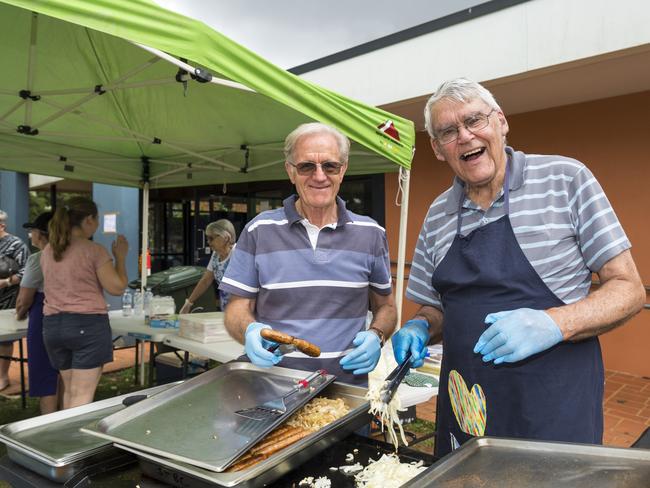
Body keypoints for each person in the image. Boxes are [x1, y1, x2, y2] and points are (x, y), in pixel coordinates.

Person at [391, 78, 646, 457]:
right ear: (438, 148)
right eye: (448, 131)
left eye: (475, 120)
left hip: (554, 407)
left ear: (501, 122)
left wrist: (555, 323)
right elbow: (436, 308)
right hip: (467, 409)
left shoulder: (566, 179)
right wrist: (421, 326)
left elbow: (629, 289)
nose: (464, 136)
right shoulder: (437, 214)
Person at [221, 122, 397, 386]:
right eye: (306, 166)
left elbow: (386, 307)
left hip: (346, 394)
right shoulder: (259, 230)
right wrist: (249, 330)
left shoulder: (371, 233)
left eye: (330, 166)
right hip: (272, 389)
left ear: (343, 170)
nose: (319, 176)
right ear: (290, 171)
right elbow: (236, 308)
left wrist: (377, 334)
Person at [40, 197, 129, 409]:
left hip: (53, 326)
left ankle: (64, 438)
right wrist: (121, 258)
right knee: (82, 395)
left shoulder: (48, 251)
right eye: (96, 219)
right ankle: (73, 441)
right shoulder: (93, 250)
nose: (97, 224)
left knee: (70, 389)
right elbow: (116, 287)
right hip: (86, 325)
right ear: (88, 220)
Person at [15, 212, 61, 414]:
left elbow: (23, 300)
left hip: (43, 318)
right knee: (66, 373)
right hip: (73, 317)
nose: (30, 234)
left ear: (42, 234)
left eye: (32, 230)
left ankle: (48, 424)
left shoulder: (38, 259)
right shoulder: (74, 255)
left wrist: (20, 313)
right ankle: (66, 418)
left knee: (45, 374)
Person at [179, 219, 236, 314]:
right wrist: (189, 303)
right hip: (227, 308)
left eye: (211, 238)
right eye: (207, 238)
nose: (208, 242)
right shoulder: (216, 255)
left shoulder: (238, 253)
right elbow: (206, 281)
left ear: (226, 237)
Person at [0, 209, 30, 391]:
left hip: (8, 298)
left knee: (3, 340)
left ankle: (3, 377)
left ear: (1, 225)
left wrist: (6, 282)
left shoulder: (15, 244)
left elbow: (27, 270)